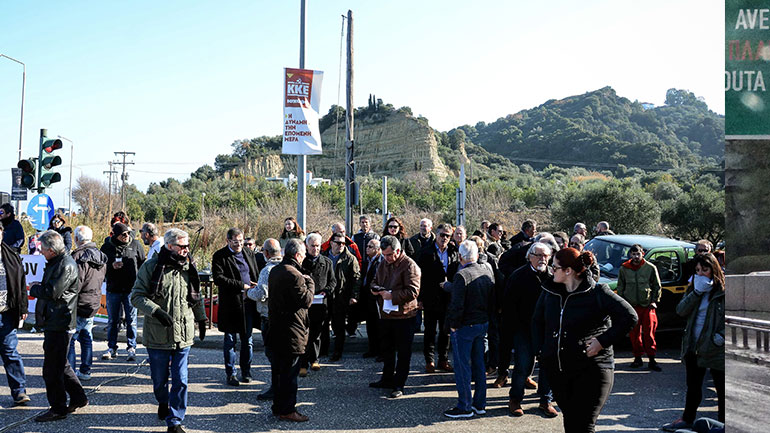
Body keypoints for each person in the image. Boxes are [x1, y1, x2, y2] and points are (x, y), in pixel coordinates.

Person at [532, 248, 637, 433]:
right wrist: (542, 351)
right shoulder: (550, 291)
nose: (550, 270)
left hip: (593, 370)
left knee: (584, 425)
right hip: (559, 371)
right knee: (571, 423)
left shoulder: (597, 292)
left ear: (568, 271)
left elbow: (629, 317)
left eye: (554, 267)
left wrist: (602, 341)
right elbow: (537, 322)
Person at [131, 228, 207, 433]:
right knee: (159, 381)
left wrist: (201, 318)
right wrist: (156, 311)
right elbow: (136, 296)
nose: (186, 250)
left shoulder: (189, 266)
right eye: (182, 246)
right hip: (158, 334)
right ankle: (162, 402)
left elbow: (195, 295)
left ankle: (175, 420)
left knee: (181, 379)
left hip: (183, 333)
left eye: (188, 246)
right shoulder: (151, 266)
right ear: (170, 246)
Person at [29, 230, 88, 422]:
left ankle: (58, 408)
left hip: (61, 321)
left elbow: (53, 291)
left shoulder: (65, 264)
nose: (41, 252)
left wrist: (35, 288)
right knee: (61, 365)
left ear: (52, 250)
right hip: (57, 320)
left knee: (52, 369)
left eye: (43, 249)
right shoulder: (58, 262)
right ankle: (79, 397)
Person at [661, 253, 725, 432]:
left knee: (722, 389)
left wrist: (722, 336)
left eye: (705, 270)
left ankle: (722, 425)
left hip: (715, 347)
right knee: (693, 386)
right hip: (693, 344)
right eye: (697, 270)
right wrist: (696, 292)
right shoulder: (694, 288)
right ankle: (687, 419)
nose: (701, 273)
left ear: (714, 270)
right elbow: (681, 310)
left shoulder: (723, 291)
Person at [498, 242, 557, 417]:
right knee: (522, 366)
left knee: (548, 366)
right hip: (524, 329)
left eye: (546, 256)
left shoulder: (553, 277)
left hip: (547, 330)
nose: (543, 259)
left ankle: (545, 401)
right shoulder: (518, 276)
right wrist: (511, 332)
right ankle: (515, 399)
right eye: (538, 255)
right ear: (529, 257)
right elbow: (509, 307)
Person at [441, 240, 494, 418]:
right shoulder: (485, 270)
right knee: (479, 365)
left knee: (463, 367)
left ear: (461, 257)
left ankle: (465, 406)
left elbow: (457, 305)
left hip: (465, 326)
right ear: (477, 255)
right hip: (482, 323)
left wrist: (453, 326)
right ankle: (480, 404)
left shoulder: (461, 275)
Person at [267, 239, 314, 422]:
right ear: (297, 255)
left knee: (279, 372)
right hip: (291, 331)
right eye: (302, 256)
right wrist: (310, 283)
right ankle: (287, 410)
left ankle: (278, 407)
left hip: (277, 329)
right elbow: (306, 301)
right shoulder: (294, 274)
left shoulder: (276, 270)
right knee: (289, 374)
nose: (303, 259)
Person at [368, 236, 421, 399]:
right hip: (387, 314)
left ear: (398, 251)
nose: (387, 258)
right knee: (387, 349)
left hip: (404, 316)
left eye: (390, 255)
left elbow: (413, 291)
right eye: (384, 255)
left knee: (403, 352)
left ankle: (399, 384)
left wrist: (393, 296)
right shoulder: (384, 263)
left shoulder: (409, 265)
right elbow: (375, 281)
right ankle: (387, 379)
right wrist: (375, 290)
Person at [212, 228, 259, 386]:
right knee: (230, 341)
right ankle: (231, 374)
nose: (239, 244)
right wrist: (241, 286)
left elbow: (254, 273)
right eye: (235, 242)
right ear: (228, 241)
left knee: (248, 341)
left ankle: (246, 371)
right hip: (231, 304)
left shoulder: (249, 253)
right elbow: (218, 278)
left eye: (241, 241)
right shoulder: (220, 256)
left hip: (248, 304)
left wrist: (253, 286)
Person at [100, 222, 145, 361]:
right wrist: (111, 265)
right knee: (113, 320)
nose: (126, 236)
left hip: (131, 289)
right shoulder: (107, 247)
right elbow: (101, 266)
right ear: (115, 235)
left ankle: (131, 347)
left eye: (127, 233)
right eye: (123, 235)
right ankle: (111, 347)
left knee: (131, 320)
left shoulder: (136, 245)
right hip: (113, 288)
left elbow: (143, 263)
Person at [417, 223, 458, 373]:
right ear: (436, 234)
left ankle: (443, 359)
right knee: (429, 330)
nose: (444, 238)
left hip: (447, 297)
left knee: (445, 331)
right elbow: (419, 276)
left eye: (448, 235)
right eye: (442, 235)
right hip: (430, 297)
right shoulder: (426, 251)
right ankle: (429, 360)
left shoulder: (453, 251)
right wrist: (420, 298)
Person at [68, 226, 108, 381]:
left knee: (71, 339)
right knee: (86, 337)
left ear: (77, 239)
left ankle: (70, 373)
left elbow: (75, 283)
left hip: (78, 302)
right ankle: (85, 370)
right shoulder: (101, 256)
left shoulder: (78, 256)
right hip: (93, 301)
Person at [616, 244, 663, 371]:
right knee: (634, 334)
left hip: (647, 305)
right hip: (631, 306)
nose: (636, 257)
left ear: (642, 253)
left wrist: (654, 301)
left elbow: (657, 286)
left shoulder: (650, 268)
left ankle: (652, 359)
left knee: (649, 333)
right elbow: (621, 287)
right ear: (630, 255)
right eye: (633, 254)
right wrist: (622, 304)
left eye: (638, 254)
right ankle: (637, 358)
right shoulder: (624, 269)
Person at [246, 238, 282, 400]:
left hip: (269, 317)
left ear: (266, 253)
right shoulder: (287, 266)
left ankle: (276, 388)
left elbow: (262, 294)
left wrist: (248, 291)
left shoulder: (267, 271)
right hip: (283, 317)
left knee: (272, 355)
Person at [0, 223, 30, 406]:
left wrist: (23, 308)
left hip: (6, 313)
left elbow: (21, 283)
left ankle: (19, 391)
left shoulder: (11, 255)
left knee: (10, 352)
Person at [300, 233, 335, 375]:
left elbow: (332, 281)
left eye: (318, 246)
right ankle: (302, 363)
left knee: (316, 334)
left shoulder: (327, 262)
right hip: (305, 304)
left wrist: (326, 292)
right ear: (306, 246)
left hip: (320, 304)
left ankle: (315, 359)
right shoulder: (301, 262)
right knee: (303, 334)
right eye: (312, 246)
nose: (315, 249)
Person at [324, 232, 361, 361]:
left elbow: (356, 279)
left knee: (338, 326)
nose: (341, 245)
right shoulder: (324, 257)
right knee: (323, 324)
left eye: (343, 243)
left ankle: (337, 352)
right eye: (338, 243)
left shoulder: (350, 258)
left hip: (341, 296)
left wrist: (354, 296)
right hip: (325, 296)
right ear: (331, 243)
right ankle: (323, 350)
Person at [361, 238, 384, 359]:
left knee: (379, 325)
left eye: (370, 247)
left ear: (378, 249)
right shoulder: (367, 261)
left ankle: (381, 352)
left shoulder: (381, 261)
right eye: (367, 246)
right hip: (367, 296)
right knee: (370, 324)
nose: (367, 248)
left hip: (377, 297)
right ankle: (372, 349)